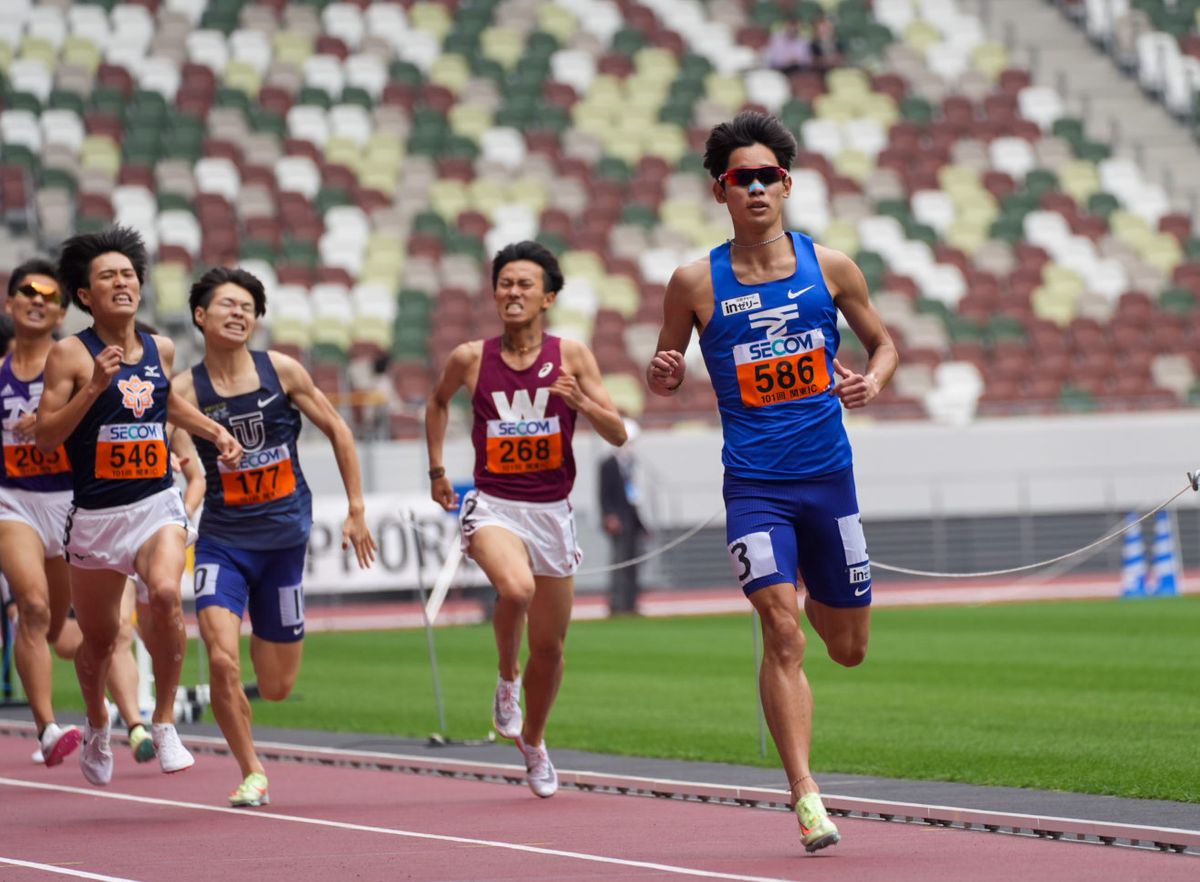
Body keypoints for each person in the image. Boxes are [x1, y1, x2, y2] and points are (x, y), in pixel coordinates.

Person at [645, 112, 898, 853]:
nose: (754, 188)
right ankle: (806, 794)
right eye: (739, 179)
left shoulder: (833, 268)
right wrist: (664, 374)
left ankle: (817, 588)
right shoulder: (694, 283)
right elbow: (663, 371)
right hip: (754, 486)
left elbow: (884, 345)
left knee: (846, 647)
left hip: (829, 481)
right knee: (781, 630)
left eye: (767, 177)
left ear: (785, 184)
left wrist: (873, 382)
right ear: (718, 191)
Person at [36, 226, 243, 787]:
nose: (122, 282)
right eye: (108, 276)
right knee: (101, 640)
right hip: (97, 518)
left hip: (155, 501)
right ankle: (100, 721)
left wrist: (213, 432)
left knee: (170, 595)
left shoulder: (160, 347)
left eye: (128, 274)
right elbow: (47, 439)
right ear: (85, 295)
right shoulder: (68, 355)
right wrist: (91, 388)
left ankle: (165, 719)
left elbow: (164, 402)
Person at [426, 240, 627, 798]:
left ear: (548, 297)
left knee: (553, 649)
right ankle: (505, 680)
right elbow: (438, 402)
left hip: (552, 513)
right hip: (494, 505)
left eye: (525, 285)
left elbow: (619, 434)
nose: (513, 293)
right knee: (514, 591)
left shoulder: (573, 357)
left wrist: (581, 403)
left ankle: (534, 742)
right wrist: (438, 470)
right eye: (505, 284)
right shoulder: (470, 358)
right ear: (495, 293)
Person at [172, 266, 376, 807]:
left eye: (248, 307)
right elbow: (173, 451)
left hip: (284, 545)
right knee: (220, 657)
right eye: (227, 305)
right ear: (200, 315)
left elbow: (339, 429)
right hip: (222, 543)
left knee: (278, 685)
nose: (239, 314)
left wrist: (356, 509)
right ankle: (252, 770)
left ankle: (249, 720)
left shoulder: (281, 370)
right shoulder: (185, 390)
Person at [0, 259, 82, 766]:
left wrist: (54, 425)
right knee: (31, 607)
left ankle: (107, 708)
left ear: (60, 312)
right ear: (10, 305)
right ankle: (48, 729)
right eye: (27, 292)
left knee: (69, 632)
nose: (37, 299)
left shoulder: (75, 368)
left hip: (72, 504)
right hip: (14, 502)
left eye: (49, 295)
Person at [598, 417, 647, 615]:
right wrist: (609, 516)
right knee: (619, 562)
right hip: (618, 520)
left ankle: (631, 602)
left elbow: (634, 496)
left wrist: (642, 524)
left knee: (634, 563)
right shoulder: (608, 464)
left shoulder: (632, 465)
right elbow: (603, 494)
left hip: (632, 521)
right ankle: (617, 604)